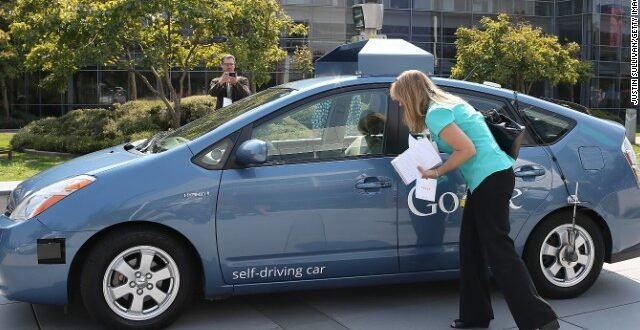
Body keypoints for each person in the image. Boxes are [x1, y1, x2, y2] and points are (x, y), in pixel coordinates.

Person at [390, 70, 559, 330]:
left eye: (400, 101)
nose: (401, 106)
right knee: (471, 250)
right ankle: (474, 317)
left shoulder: (436, 113)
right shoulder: (450, 103)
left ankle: (540, 319)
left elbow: (467, 149)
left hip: (489, 180)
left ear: (410, 96)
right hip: (488, 179)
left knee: (499, 251)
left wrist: (436, 172)